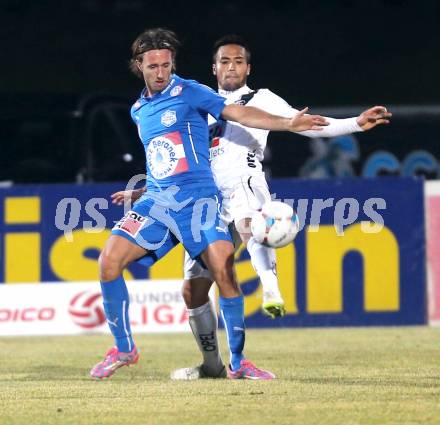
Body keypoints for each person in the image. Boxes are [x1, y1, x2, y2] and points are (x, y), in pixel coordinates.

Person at [90, 28, 328, 380]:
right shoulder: (139, 109)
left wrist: (287, 123)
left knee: (224, 271)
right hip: (157, 201)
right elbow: (164, 157)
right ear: (138, 65)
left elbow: (239, 114)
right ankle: (124, 349)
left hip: (198, 200)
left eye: (166, 65)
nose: (160, 73)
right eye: (153, 66)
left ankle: (238, 361)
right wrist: (141, 192)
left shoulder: (191, 91)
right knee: (108, 261)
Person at [166, 34, 391, 380]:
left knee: (249, 223)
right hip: (204, 196)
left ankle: (268, 290)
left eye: (238, 61)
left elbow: (305, 123)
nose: (231, 66)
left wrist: (354, 124)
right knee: (194, 290)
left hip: (245, 180)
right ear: (214, 67)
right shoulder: (198, 102)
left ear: (248, 67)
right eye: (225, 61)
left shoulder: (262, 98)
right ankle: (212, 365)